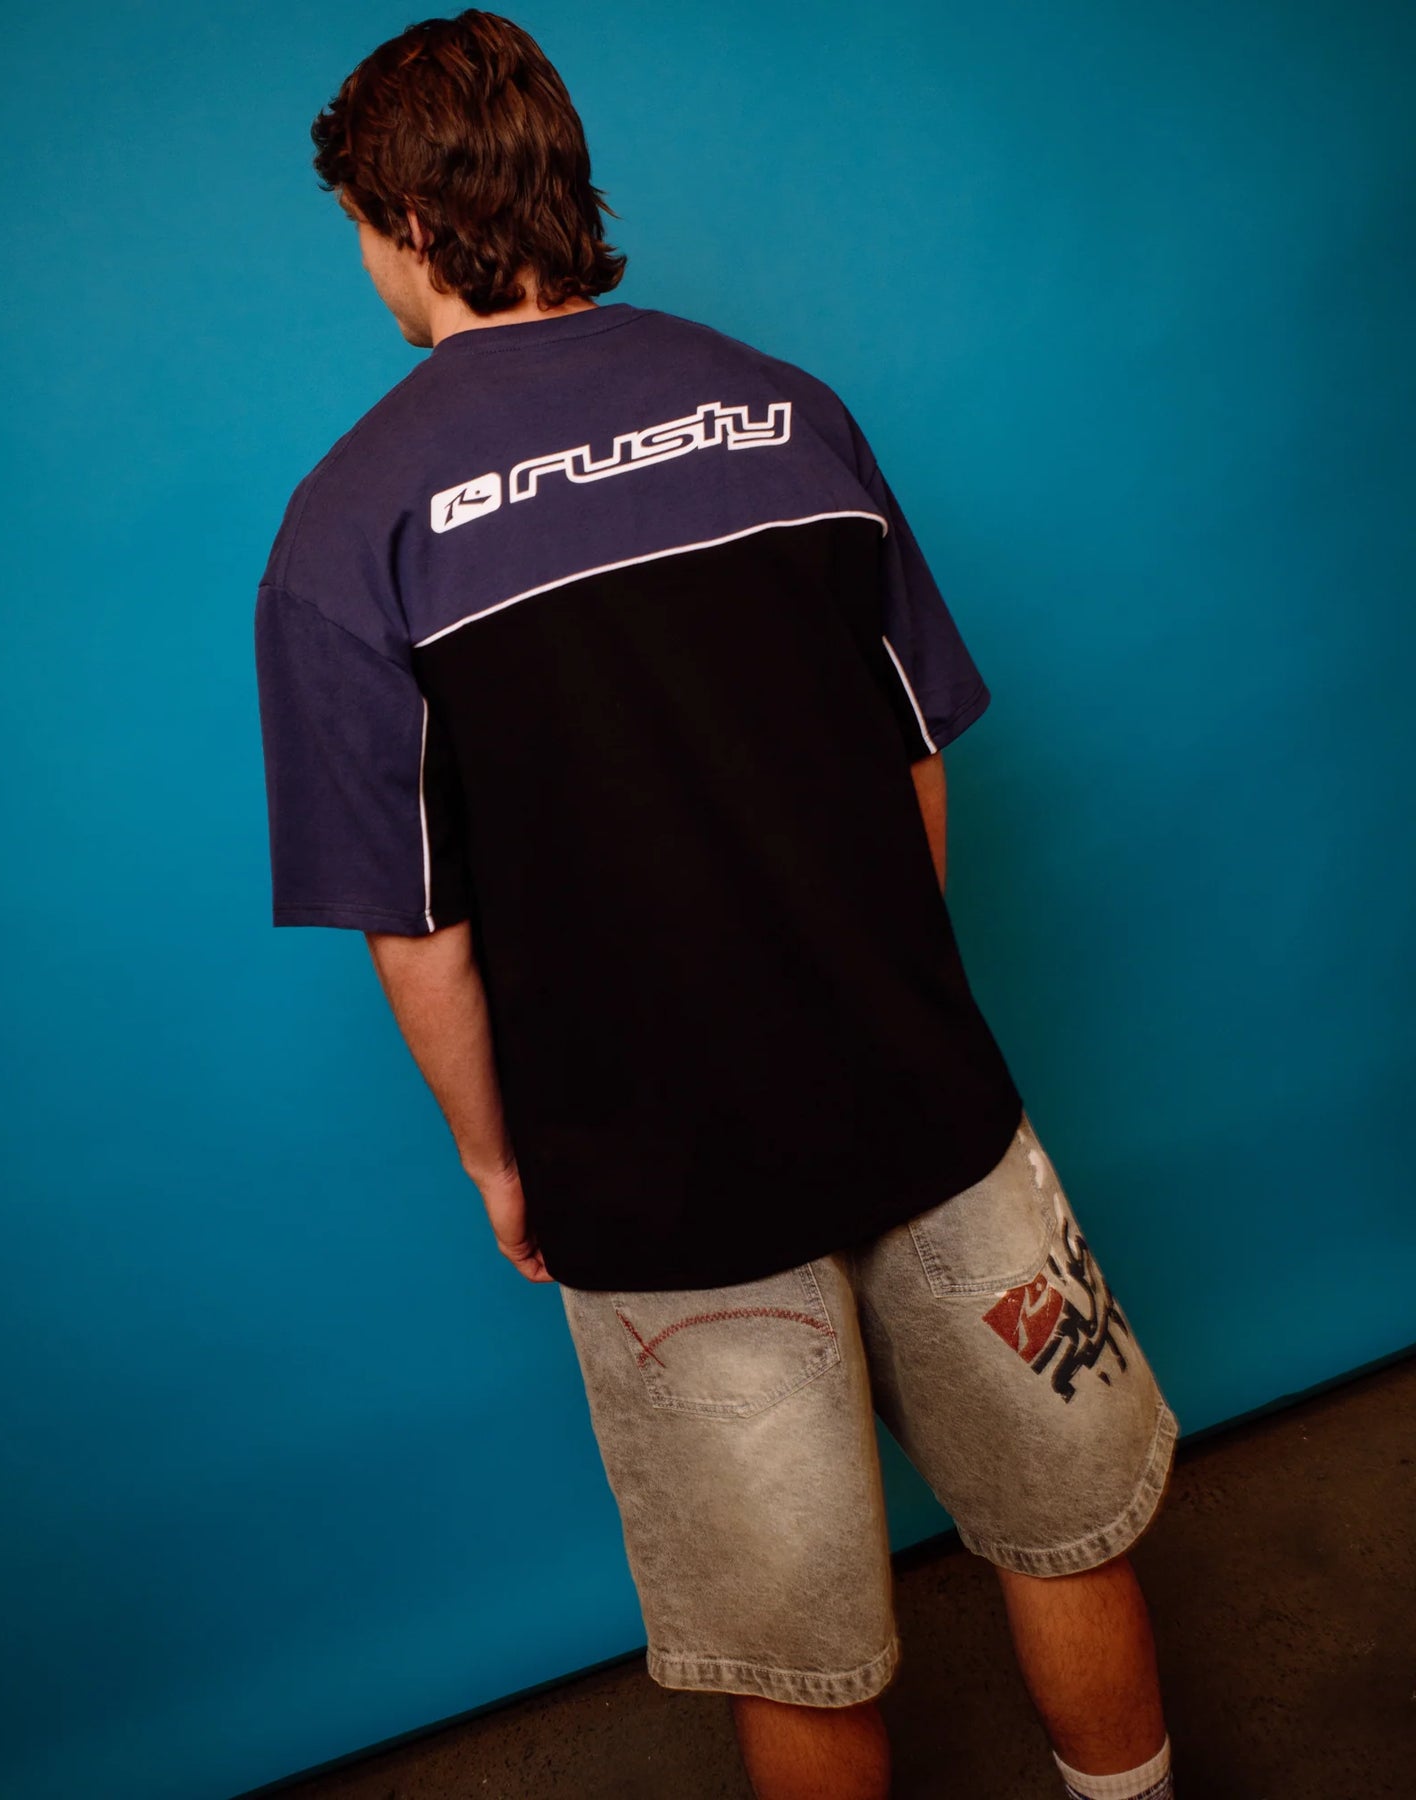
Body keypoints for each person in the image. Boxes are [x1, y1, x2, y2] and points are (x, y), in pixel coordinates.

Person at [252, 13, 1181, 1798]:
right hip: (927, 1096)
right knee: (1065, 1534)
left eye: (361, 228)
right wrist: (884, 986)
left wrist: (497, 1163)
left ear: (409, 223)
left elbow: (419, 928)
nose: (366, 263)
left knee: (799, 1646)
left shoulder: (349, 527)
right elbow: (915, 757)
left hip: (654, 1182)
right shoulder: (786, 405)